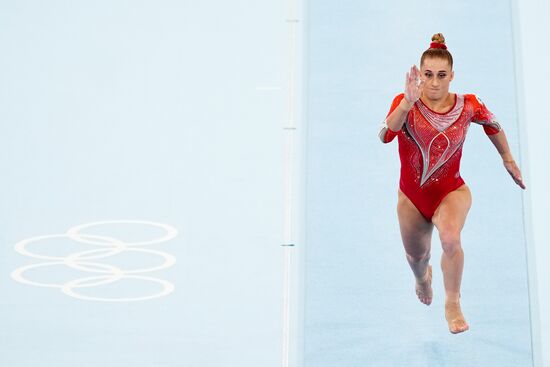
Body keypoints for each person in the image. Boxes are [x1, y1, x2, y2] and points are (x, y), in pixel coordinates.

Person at [378, 33, 526, 334]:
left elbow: (493, 125)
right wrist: (407, 103)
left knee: (449, 239)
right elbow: (384, 135)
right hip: (412, 197)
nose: (434, 82)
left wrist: (507, 158)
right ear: (420, 75)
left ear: (452, 76)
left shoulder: (467, 105)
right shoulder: (406, 103)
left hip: (451, 191)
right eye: (428, 75)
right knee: (416, 258)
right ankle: (422, 278)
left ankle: (453, 302)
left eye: (441, 76)